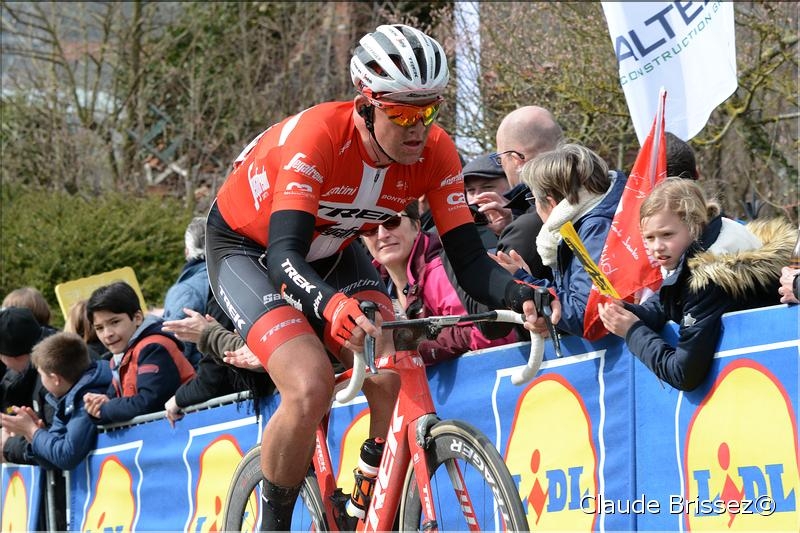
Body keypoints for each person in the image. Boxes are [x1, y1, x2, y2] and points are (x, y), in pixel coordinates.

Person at [204, 24, 550, 530]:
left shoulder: (436, 153)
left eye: (429, 111)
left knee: (390, 359)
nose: (418, 128)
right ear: (365, 106)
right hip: (249, 250)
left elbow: (472, 265)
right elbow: (283, 257)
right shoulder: (318, 138)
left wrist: (522, 295)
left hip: (333, 248)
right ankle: (274, 523)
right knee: (309, 385)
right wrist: (331, 306)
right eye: (403, 113)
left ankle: (363, 499)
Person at [598, 178, 794, 391]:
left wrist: (632, 331)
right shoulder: (713, 242)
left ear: (694, 226)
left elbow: (683, 374)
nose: (657, 247)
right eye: (650, 238)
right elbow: (668, 299)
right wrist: (628, 312)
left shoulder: (709, 280)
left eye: (667, 234)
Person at [360, 201, 517, 365]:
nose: (382, 234)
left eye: (392, 222)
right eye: (369, 228)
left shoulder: (442, 271)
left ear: (416, 226)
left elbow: (493, 337)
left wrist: (414, 347)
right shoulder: (365, 286)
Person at [500, 142, 626, 338]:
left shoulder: (594, 229)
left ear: (550, 203)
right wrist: (531, 283)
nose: (535, 208)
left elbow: (586, 314)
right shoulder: (589, 224)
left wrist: (524, 281)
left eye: (533, 201)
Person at [82, 281, 196, 424]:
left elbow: (148, 403)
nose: (107, 334)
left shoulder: (154, 347)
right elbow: (115, 403)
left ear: (137, 318)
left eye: (115, 322)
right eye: (99, 328)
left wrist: (105, 409)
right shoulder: (118, 357)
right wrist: (97, 407)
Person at [0, 332, 112, 470]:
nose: (41, 380)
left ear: (55, 379)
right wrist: (36, 436)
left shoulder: (88, 399)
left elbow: (67, 456)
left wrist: (31, 430)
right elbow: (53, 461)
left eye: (41, 375)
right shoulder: (64, 398)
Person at [162, 306, 275, 427]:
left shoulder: (222, 303)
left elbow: (212, 378)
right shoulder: (220, 302)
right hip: (267, 400)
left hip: (273, 399)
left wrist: (208, 335)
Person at [492, 105, 564, 281]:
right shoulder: (593, 193)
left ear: (516, 159)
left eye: (500, 160)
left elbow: (499, 292)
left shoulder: (527, 227)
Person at [161, 216, 210, 367]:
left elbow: (174, 348)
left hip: (203, 373)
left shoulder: (186, 291)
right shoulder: (235, 274)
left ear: (187, 251)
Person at [462, 153, 513, 250]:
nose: (477, 196)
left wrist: (511, 228)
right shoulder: (461, 232)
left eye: (487, 187)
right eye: (471, 190)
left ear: (511, 185)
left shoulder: (533, 219)